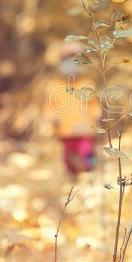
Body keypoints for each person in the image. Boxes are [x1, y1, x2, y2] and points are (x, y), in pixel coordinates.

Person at [43, 42, 101, 176]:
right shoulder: (54, 86)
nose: (72, 65)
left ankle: (90, 177)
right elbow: (49, 108)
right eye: (68, 61)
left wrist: (96, 116)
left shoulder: (87, 84)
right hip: (65, 132)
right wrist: (52, 119)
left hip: (85, 130)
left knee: (87, 156)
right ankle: (73, 184)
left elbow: (94, 105)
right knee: (68, 160)